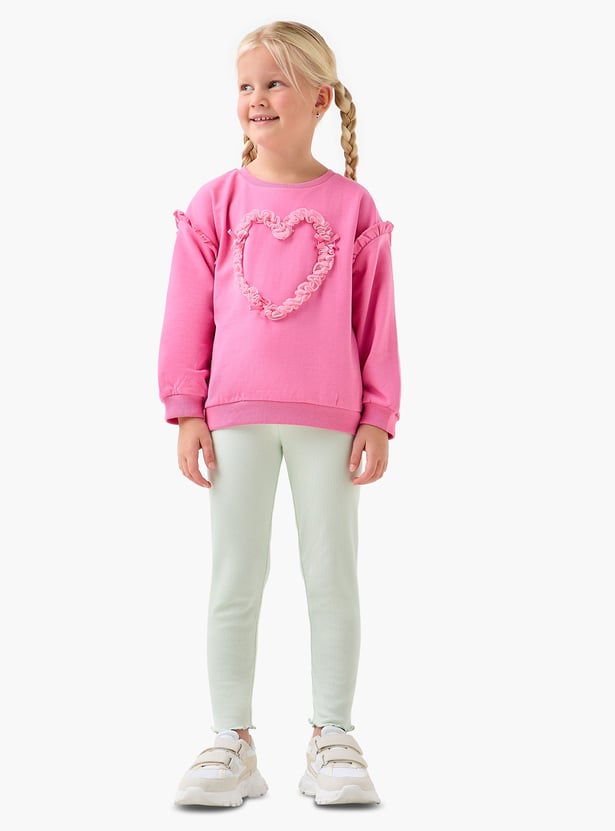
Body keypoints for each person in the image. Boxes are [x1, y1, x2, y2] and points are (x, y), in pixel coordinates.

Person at [158, 20, 401, 808]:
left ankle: (333, 735)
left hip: (330, 420)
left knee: (331, 576)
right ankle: (231, 740)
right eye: (245, 85)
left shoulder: (351, 204)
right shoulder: (217, 201)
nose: (256, 98)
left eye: (274, 83)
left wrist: (378, 413)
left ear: (320, 99)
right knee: (235, 576)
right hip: (233, 416)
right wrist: (185, 406)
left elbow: (376, 318)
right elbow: (187, 311)